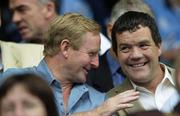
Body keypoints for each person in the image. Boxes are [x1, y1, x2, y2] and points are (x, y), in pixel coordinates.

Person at [1, 13, 139, 116]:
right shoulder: (10, 81)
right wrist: (94, 114)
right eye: (91, 54)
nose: (96, 64)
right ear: (65, 48)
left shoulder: (101, 100)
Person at [107, 11, 179, 115]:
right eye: (125, 48)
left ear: (159, 47)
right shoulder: (110, 103)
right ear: (116, 55)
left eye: (143, 45)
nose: (136, 55)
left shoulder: (178, 79)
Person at [87, 0, 154, 92]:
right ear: (111, 31)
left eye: (143, 43)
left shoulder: (165, 74)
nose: (136, 54)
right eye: (130, 29)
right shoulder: (87, 73)